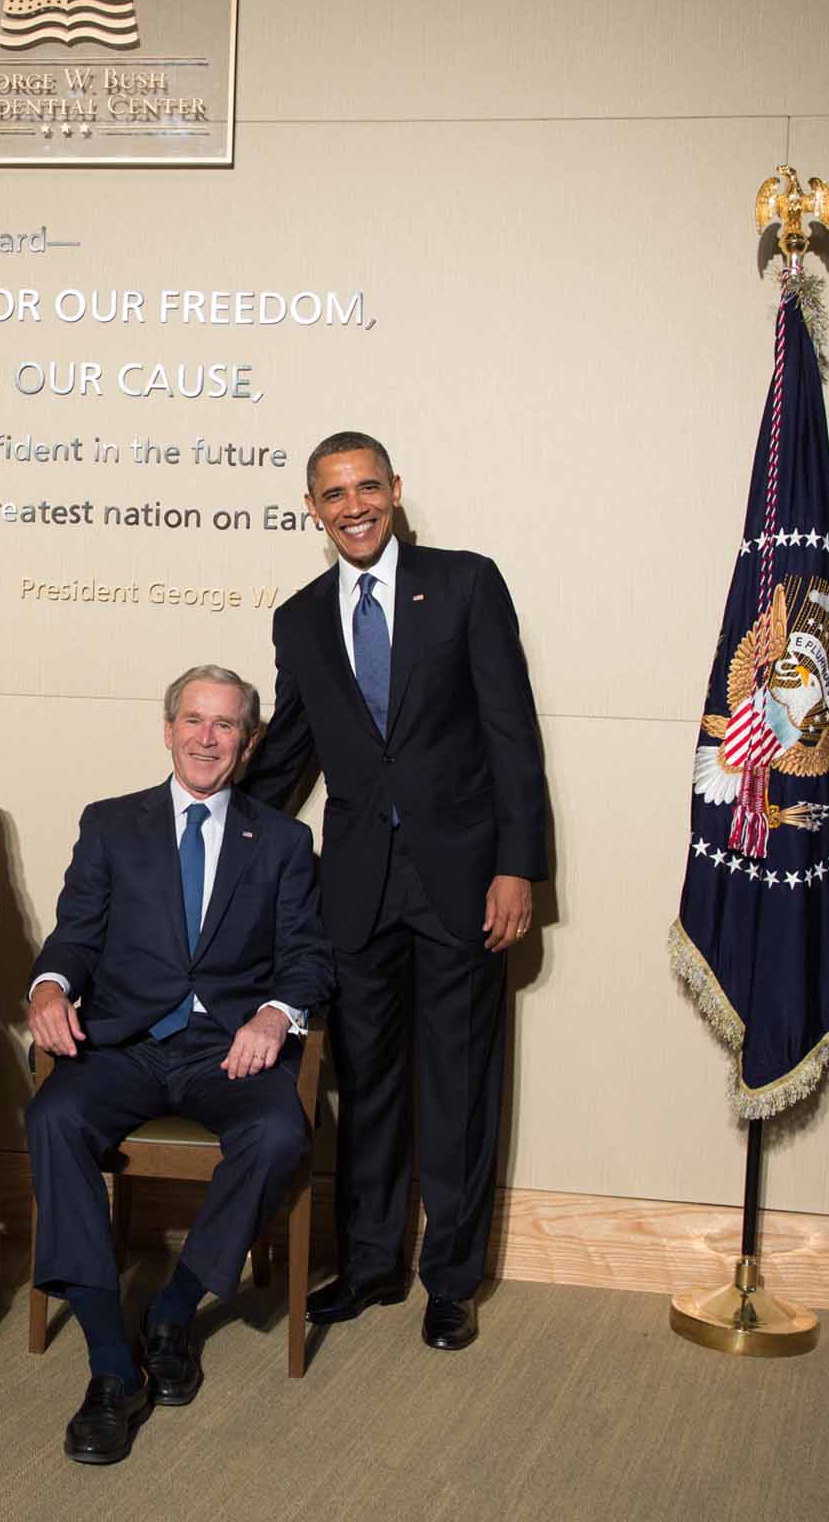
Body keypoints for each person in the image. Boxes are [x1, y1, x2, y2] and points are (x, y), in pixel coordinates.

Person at [238, 431, 549, 1352]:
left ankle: (452, 1281)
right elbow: (289, 749)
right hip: (358, 890)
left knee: (455, 1086)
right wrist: (209, 820)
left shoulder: (464, 584)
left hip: (464, 883)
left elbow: (510, 732)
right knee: (366, 1085)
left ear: (396, 490)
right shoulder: (298, 618)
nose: (354, 507)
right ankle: (372, 1264)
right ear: (313, 509)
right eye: (333, 495)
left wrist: (517, 865)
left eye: (367, 487)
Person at [25, 664, 331, 1464]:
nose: (206, 738)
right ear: (167, 729)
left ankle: (173, 1304)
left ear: (249, 740)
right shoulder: (110, 824)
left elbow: (307, 959)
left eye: (225, 725)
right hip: (126, 1043)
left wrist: (275, 1012)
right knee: (53, 1116)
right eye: (193, 720)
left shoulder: (286, 840)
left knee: (277, 1134)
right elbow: (74, 937)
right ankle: (110, 1365)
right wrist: (49, 988)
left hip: (226, 1048)